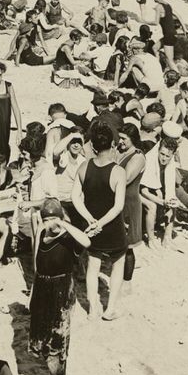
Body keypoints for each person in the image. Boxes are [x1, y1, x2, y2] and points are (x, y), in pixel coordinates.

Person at [28, 199, 90, 375]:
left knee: (58, 339)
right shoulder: (40, 231)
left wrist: (63, 224)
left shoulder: (68, 237)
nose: (50, 223)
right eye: (47, 219)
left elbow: (87, 242)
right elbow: (36, 261)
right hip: (42, 286)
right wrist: (34, 289)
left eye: (54, 218)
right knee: (42, 339)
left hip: (61, 288)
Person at [72, 123, 128, 320]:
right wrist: (101, 223)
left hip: (91, 225)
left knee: (93, 265)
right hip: (111, 226)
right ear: (112, 145)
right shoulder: (118, 171)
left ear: (93, 147)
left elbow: (75, 198)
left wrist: (90, 219)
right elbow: (118, 206)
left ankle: (92, 308)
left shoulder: (83, 166)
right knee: (118, 263)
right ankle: (110, 308)